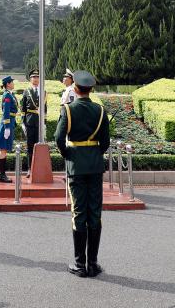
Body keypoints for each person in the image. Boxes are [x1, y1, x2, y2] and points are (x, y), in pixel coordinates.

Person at [55, 69, 111, 278]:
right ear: (91, 89)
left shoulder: (68, 110)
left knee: (78, 212)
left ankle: (80, 264)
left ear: (76, 89)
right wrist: (94, 154)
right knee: (94, 212)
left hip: (76, 166)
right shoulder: (100, 110)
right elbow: (105, 142)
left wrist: (68, 154)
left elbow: (59, 138)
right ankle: (93, 264)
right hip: (95, 165)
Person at [0, 75, 18, 183]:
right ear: (8, 84)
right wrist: (7, 128)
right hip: (6, 125)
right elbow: (6, 112)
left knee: (4, 150)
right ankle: (2, 175)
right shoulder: (7, 95)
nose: (13, 83)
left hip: (9, 123)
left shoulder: (10, 94)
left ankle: (2, 174)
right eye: (12, 82)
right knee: (3, 150)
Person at [21, 69, 41, 172]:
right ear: (30, 79)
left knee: (39, 146)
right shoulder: (27, 91)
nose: (36, 79)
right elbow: (23, 109)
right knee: (30, 146)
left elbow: (45, 109)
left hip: (39, 122)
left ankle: (38, 168)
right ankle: (30, 168)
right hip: (29, 122)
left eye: (37, 77)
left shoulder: (43, 91)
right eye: (34, 77)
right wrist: (23, 122)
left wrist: (44, 123)